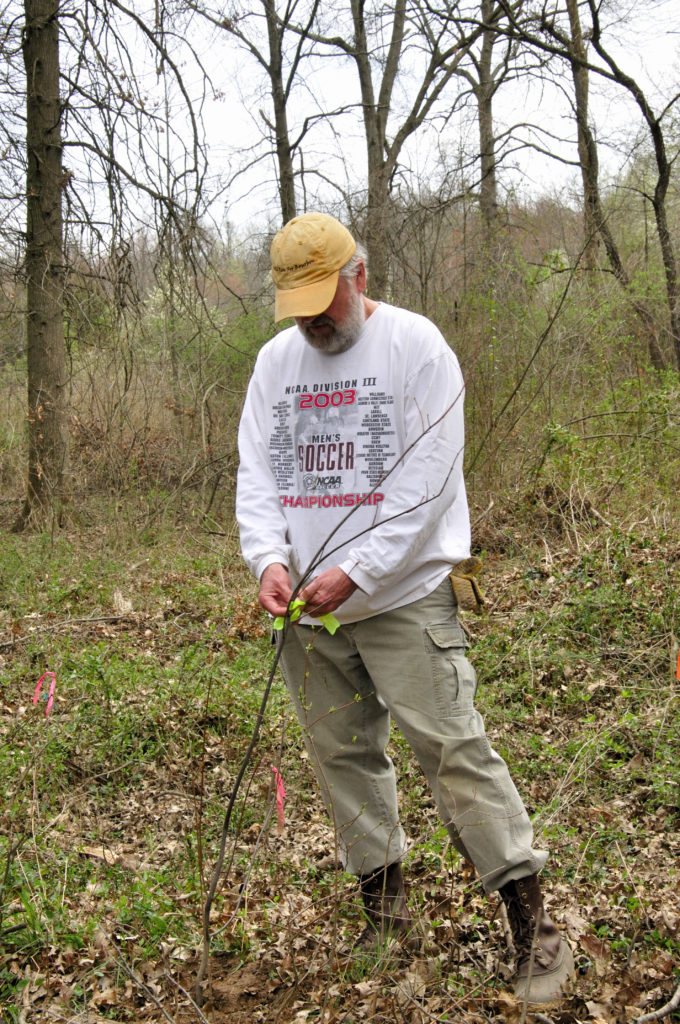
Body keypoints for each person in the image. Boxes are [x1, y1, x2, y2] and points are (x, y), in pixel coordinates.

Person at [236, 212, 574, 1005]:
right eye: (298, 307)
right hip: (309, 614)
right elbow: (258, 475)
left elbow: (427, 484)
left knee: (454, 751)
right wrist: (269, 560)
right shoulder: (275, 363)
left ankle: (535, 930)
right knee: (343, 758)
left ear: (359, 275)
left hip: (404, 597)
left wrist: (359, 571)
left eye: (323, 301)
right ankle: (386, 917)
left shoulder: (417, 348)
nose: (313, 321)